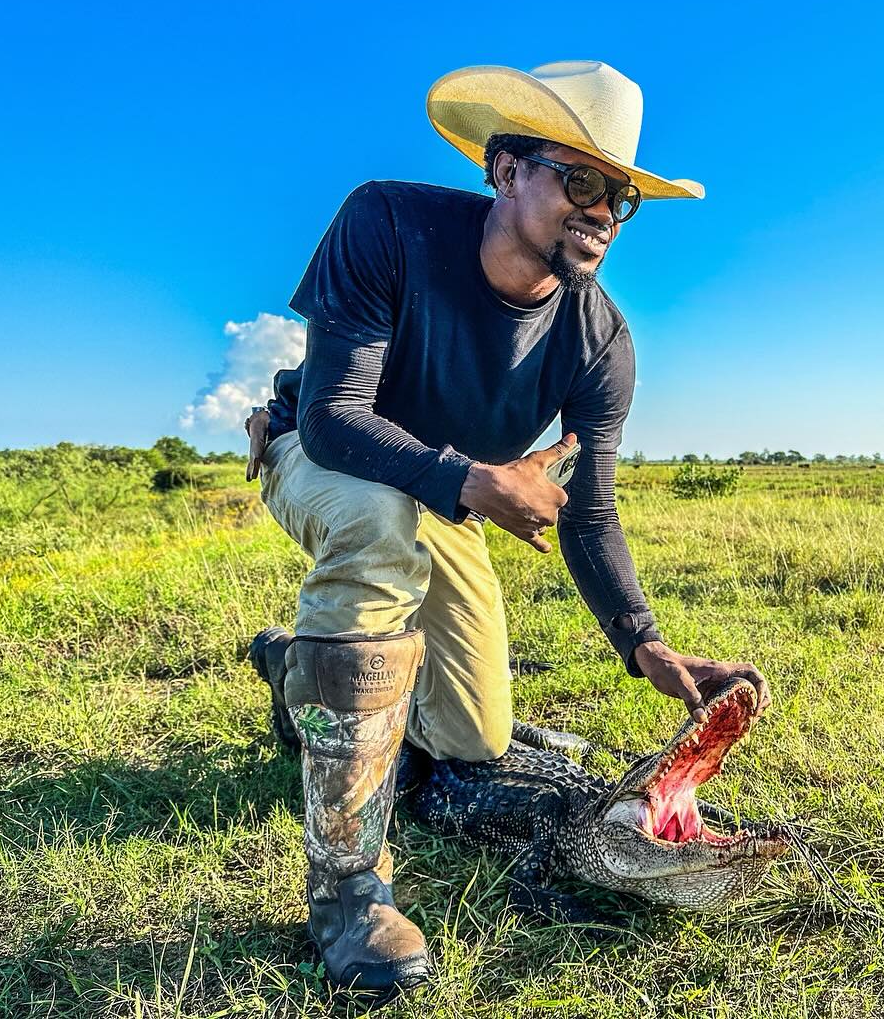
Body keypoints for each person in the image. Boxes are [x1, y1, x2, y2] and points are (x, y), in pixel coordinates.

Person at [243, 60, 773, 997]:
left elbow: (592, 508)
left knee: (477, 738)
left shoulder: (600, 340)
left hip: (447, 495)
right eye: (581, 180)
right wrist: (475, 480)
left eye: (622, 197)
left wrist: (646, 647)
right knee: (374, 526)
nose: (604, 210)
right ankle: (346, 895)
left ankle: (302, 674)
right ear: (504, 169)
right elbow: (334, 416)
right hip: (324, 457)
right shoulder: (389, 224)